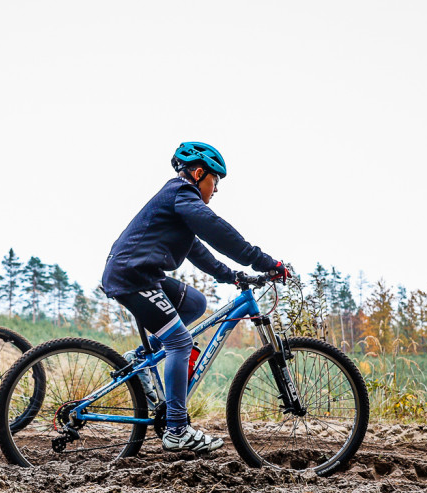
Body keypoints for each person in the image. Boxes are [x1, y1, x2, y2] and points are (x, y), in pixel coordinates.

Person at [101, 142, 288, 454]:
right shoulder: (181, 193)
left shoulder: (179, 206)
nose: (215, 190)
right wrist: (263, 261)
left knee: (195, 304)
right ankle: (176, 429)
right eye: (215, 181)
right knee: (180, 343)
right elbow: (218, 231)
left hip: (144, 274)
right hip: (132, 277)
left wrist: (232, 275)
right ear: (199, 173)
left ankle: (140, 360)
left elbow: (199, 251)